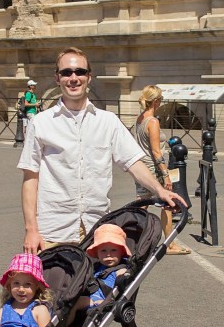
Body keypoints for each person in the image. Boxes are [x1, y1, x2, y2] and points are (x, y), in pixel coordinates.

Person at [18, 47, 181, 253]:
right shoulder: (41, 122)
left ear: (89, 77)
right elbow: (30, 178)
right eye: (66, 72)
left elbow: (133, 162)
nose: (73, 78)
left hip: (96, 230)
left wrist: (160, 191)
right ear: (57, 78)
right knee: (52, 286)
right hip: (52, 231)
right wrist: (31, 230)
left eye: (80, 72)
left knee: (97, 285)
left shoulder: (108, 121)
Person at [134, 85, 191, 255]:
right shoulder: (153, 121)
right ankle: (170, 244)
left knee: (142, 205)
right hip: (153, 168)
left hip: (141, 166)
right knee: (167, 204)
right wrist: (165, 173)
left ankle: (134, 240)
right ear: (157, 101)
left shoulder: (140, 119)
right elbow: (156, 151)